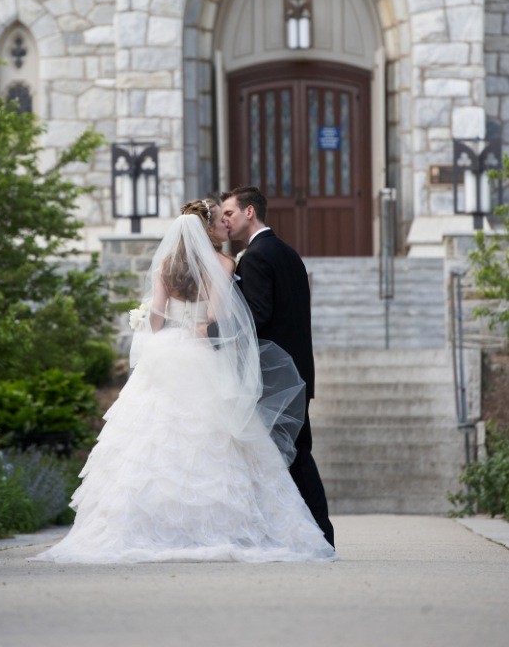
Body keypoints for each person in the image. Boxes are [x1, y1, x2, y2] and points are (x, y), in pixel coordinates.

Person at [32, 199, 335, 564]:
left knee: (151, 441)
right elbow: (221, 320)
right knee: (219, 441)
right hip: (204, 357)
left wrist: (154, 321)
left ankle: (150, 528)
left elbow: (155, 323)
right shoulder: (224, 265)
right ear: (208, 230)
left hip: (166, 357)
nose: (225, 223)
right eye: (220, 220)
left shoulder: (165, 267)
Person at [220, 186, 335, 548]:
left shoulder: (255, 257)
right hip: (297, 372)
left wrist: (211, 330)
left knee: (287, 457)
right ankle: (313, 534)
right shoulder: (287, 253)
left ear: (249, 212)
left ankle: (312, 536)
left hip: (275, 376)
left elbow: (257, 316)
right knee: (296, 454)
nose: (225, 220)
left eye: (230, 214)